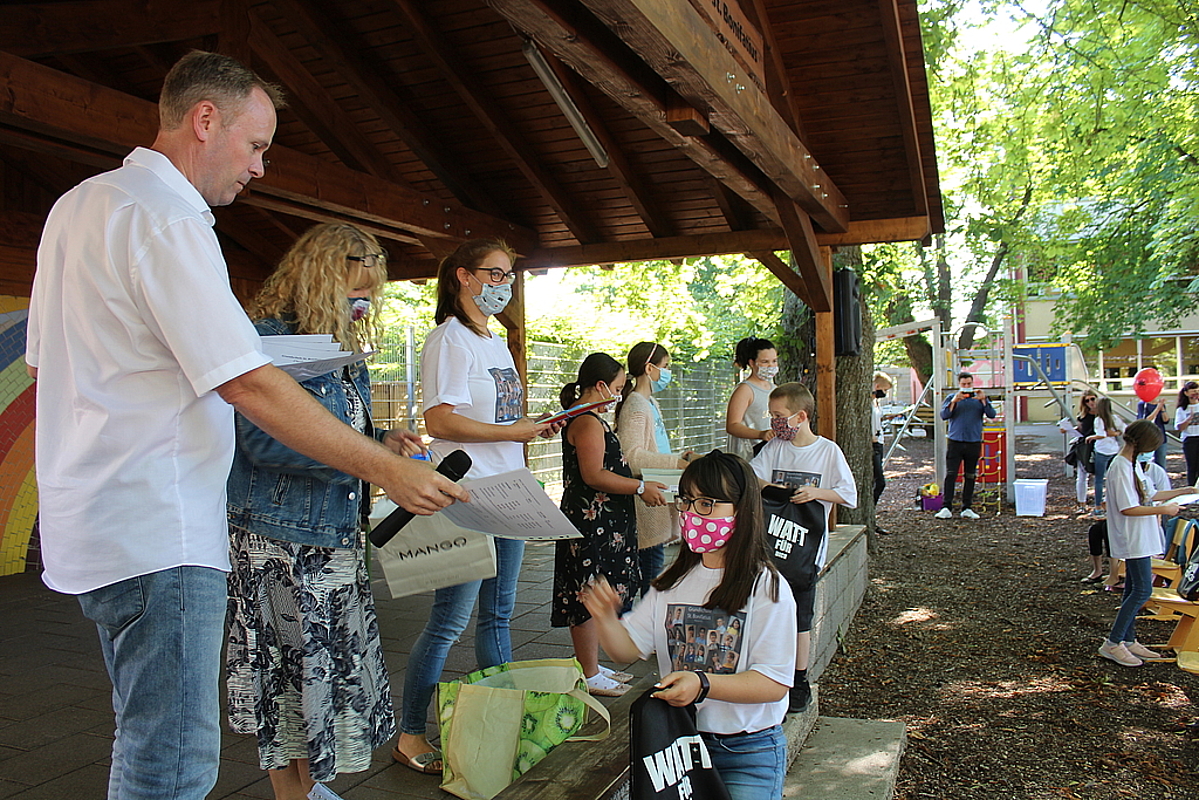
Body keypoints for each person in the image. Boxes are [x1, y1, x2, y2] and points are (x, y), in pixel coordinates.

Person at [24, 51, 463, 800]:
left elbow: (44, 365)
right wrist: (388, 468)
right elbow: (247, 382)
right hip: (161, 528)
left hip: (92, 521)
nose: (259, 168)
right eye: (256, 145)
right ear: (205, 120)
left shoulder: (79, 205)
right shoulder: (167, 217)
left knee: (144, 738)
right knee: (173, 765)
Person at [225, 223, 411, 800]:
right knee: (286, 679)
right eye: (356, 292)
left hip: (332, 539)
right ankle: (294, 791)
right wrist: (373, 461)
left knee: (320, 678)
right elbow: (262, 441)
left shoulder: (340, 348)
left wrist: (382, 441)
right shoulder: (266, 342)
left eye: (371, 295)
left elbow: (340, 432)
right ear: (319, 277)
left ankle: (309, 787)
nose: (364, 304)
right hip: (279, 544)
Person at [394, 239, 562, 774]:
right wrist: (511, 432)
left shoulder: (495, 341)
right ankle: (410, 732)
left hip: (508, 492)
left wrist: (529, 428)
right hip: (466, 494)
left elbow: (500, 419)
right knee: (449, 621)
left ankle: (508, 722)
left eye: (508, 275)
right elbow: (440, 421)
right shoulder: (449, 339)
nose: (503, 285)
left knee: (498, 616)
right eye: (494, 274)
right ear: (463, 277)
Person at [581, 452, 796, 800]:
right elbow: (626, 650)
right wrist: (605, 618)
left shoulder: (767, 587)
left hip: (748, 751)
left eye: (707, 503)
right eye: (687, 501)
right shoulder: (672, 581)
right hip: (679, 744)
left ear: (742, 510)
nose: (693, 514)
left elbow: (773, 683)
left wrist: (702, 684)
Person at [552, 353, 667, 696]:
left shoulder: (587, 418)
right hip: (593, 523)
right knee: (588, 595)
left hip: (602, 520)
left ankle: (591, 666)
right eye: (616, 389)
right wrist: (640, 487)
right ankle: (588, 672)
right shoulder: (587, 421)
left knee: (595, 592)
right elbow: (594, 475)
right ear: (600, 385)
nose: (618, 396)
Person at [751, 382, 856, 714]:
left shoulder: (828, 452)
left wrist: (816, 493)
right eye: (772, 415)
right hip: (770, 548)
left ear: (801, 416)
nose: (775, 422)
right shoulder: (775, 448)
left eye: (779, 415)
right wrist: (776, 489)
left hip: (805, 552)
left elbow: (847, 494)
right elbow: (752, 478)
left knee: (800, 618)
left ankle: (799, 680)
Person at [1097, 421, 1182, 667]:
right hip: (1132, 536)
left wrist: (1182, 491)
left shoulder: (1132, 464)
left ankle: (1128, 638)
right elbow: (1128, 508)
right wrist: (1163, 509)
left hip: (1141, 535)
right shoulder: (1120, 467)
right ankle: (1113, 642)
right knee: (1143, 590)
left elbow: (1149, 494)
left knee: (1134, 587)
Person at [617, 342, 694, 595]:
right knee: (650, 579)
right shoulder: (636, 405)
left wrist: (681, 457)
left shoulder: (649, 402)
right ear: (649, 368)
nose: (667, 372)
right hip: (646, 502)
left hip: (657, 497)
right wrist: (675, 463)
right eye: (665, 366)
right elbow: (632, 456)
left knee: (653, 572)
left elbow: (655, 448)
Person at [935, 372, 996, 520]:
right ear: (959, 384)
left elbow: (992, 414)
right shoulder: (952, 397)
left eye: (969, 384)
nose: (967, 386)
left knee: (970, 475)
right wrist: (954, 401)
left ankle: (967, 507)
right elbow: (944, 415)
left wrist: (984, 400)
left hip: (973, 441)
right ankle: (946, 507)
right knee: (951, 474)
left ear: (973, 383)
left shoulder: (979, 399)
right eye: (964, 384)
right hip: (955, 441)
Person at [724, 337, 778, 459]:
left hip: (772, 452)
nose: (771, 365)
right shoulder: (745, 390)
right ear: (752, 363)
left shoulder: (775, 389)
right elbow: (732, 425)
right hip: (751, 454)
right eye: (765, 362)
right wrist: (761, 434)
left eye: (774, 361)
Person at [1087, 397, 1124, 518]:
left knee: (1099, 479)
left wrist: (1092, 437)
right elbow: (1124, 429)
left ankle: (1098, 506)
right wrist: (1116, 433)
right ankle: (1112, 503)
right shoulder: (1115, 418)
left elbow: (1101, 435)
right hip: (1114, 449)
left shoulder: (1098, 420)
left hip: (1102, 450)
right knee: (1112, 477)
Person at [1071, 390, 1099, 505]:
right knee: (1082, 476)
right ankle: (1081, 502)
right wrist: (1069, 429)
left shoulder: (1103, 414)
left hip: (1100, 447)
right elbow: (1081, 430)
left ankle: (1100, 503)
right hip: (1085, 447)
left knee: (1100, 476)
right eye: (1087, 401)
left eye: (1092, 399)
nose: (1091, 402)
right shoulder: (1083, 415)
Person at [871, 372, 893, 508]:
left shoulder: (875, 403)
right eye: (884, 390)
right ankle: (871, 507)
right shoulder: (869, 404)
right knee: (880, 482)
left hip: (879, 441)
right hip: (875, 443)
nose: (884, 393)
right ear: (878, 386)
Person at [1136, 381, 1169, 469]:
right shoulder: (1143, 404)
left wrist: (1162, 409)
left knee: (1161, 462)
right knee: (1146, 462)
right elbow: (1146, 420)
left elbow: (1166, 420)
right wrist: (1158, 408)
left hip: (1160, 436)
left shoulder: (1160, 404)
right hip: (1148, 437)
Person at [1175, 381, 1199, 486]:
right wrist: (1189, 419)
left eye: (1197, 391)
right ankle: (1192, 488)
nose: (1196, 393)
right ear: (1186, 393)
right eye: (1193, 391)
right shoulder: (1181, 409)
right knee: (1192, 466)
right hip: (1190, 439)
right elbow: (1179, 427)